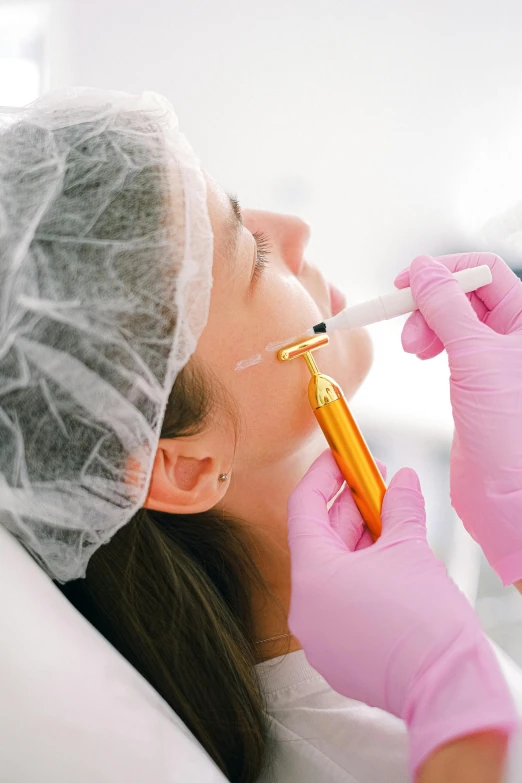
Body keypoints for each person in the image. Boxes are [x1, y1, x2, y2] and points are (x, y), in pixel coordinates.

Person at [0, 87, 518, 783]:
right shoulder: (341, 754)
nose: (297, 231)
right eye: (252, 254)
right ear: (181, 467)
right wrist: (452, 692)